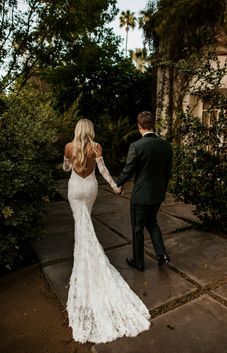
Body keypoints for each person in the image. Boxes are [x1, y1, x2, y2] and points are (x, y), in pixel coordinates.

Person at [63, 118, 150, 344]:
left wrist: (70, 163)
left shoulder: (69, 147)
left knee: (79, 225)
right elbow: (102, 170)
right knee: (87, 223)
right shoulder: (96, 147)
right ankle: (87, 259)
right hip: (90, 189)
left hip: (75, 189)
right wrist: (115, 186)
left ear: (76, 130)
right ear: (90, 130)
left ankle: (82, 260)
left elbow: (65, 168)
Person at [116, 111, 173, 271]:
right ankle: (162, 255)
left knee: (138, 228)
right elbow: (167, 173)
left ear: (139, 126)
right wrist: (161, 191)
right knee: (152, 222)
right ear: (152, 125)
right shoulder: (166, 146)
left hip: (141, 195)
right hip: (158, 194)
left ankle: (139, 262)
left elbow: (128, 170)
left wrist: (118, 184)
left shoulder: (136, 146)